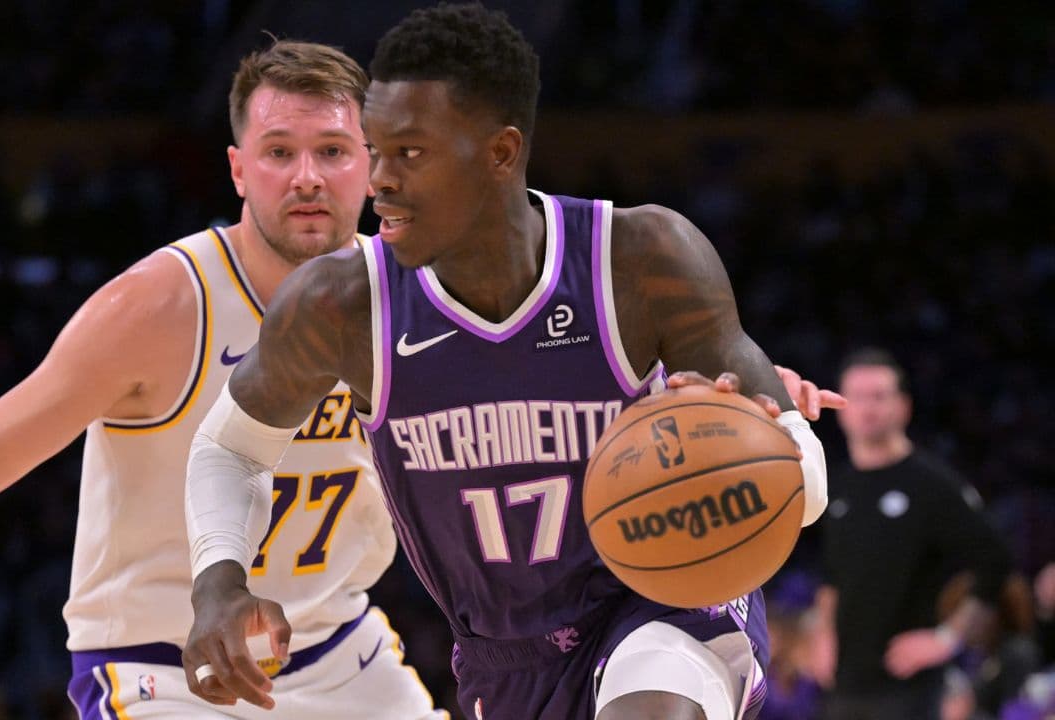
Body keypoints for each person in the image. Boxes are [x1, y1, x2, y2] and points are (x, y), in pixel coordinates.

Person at [181, 5, 839, 719]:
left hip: (666, 599)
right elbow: (229, 447)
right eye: (374, 151)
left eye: (411, 153)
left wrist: (752, 442)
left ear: (499, 152)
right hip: (508, 655)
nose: (378, 181)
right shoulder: (342, 303)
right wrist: (218, 581)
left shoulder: (641, 258)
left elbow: (804, 490)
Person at [0, 41, 446, 720]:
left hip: (337, 651)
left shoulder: (414, 294)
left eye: (332, 151)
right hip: (165, 668)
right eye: (280, 152)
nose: (307, 177)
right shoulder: (160, 306)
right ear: (238, 170)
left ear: (371, 162)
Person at [810, 348, 1010, 720]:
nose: (867, 407)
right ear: (840, 407)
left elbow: (995, 559)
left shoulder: (931, 485)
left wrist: (946, 639)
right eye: (856, 397)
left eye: (879, 396)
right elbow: (831, 576)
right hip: (843, 683)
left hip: (906, 687)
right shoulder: (838, 485)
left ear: (903, 406)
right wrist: (823, 635)